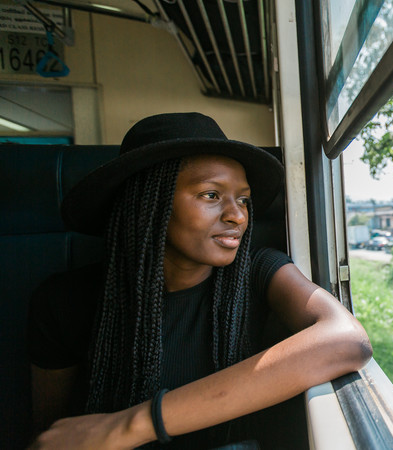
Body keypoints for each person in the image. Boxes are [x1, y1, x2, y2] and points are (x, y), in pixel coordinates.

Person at [26, 112, 372, 449]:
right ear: (149, 203)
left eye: (244, 200)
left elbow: (346, 340)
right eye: (211, 195)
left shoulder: (257, 271)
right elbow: (53, 433)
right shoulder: (64, 300)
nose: (237, 215)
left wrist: (133, 425)